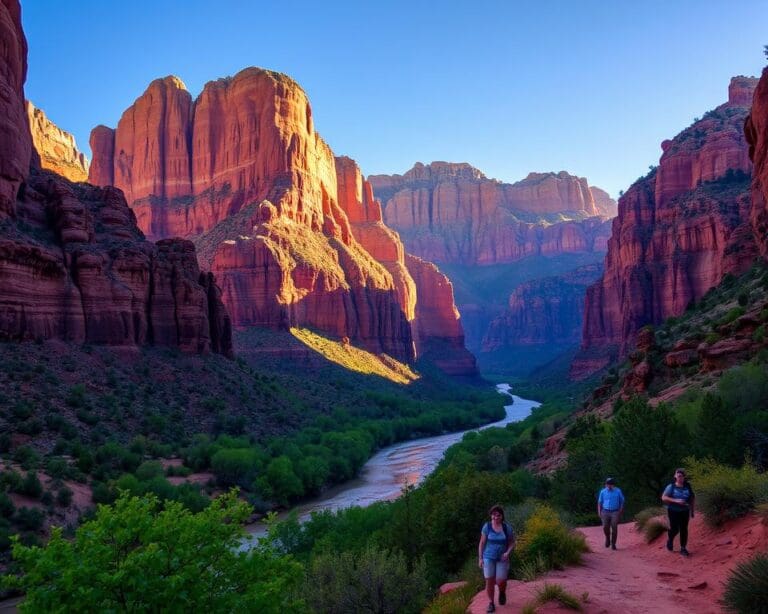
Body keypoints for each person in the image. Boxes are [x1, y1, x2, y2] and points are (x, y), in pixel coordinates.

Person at [478, 504, 515, 613]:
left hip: (502, 558)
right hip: (488, 557)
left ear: (502, 516)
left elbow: (512, 542)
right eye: (493, 515)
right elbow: (482, 543)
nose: (495, 518)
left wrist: (508, 552)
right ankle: (491, 603)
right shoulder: (487, 527)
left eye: (498, 515)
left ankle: (502, 592)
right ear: (491, 516)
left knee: (501, 580)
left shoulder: (506, 528)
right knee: (489, 580)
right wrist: (480, 558)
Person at [661, 468, 695, 556]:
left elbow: (692, 498)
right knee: (674, 529)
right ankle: (670, 540)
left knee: (684, 529)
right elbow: (664, 497)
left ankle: (683, 548)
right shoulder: (671, 486)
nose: (680, 477)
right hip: (673, 510)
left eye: (682, 476)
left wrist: (692, 510)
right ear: (675, 476)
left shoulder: (688, 486)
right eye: (678, 476)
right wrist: (676, 501)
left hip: (684, 511)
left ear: (684, 477)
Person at [597, 477, 625, 550]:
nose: (609, 486)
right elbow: (599, 502)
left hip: (615, 511)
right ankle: (607, 538)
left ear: (613, 485)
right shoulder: (603, 492)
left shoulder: (618, 491)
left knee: (614, 527)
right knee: (605, 526)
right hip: (605, 511)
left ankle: (613, 543)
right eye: (607, 484)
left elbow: (622, 501)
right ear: (605, 484)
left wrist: (620, 511)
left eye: (610, 484)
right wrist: (599, 511)